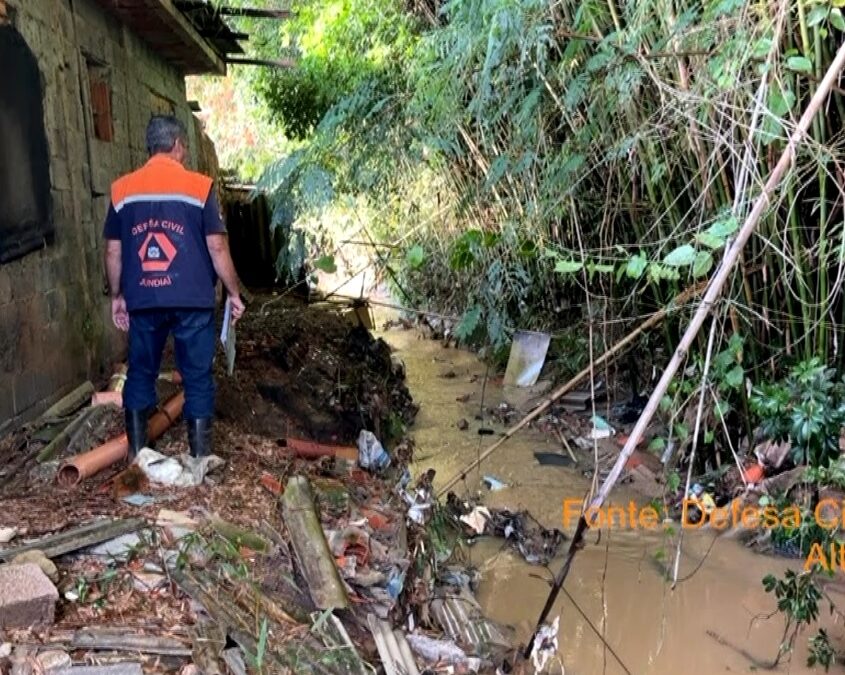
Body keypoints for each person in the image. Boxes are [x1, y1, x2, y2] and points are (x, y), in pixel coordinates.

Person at [103, 115, 244, 460]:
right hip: (192, 299)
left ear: (149, 147)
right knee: (197, 376)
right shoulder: (199, 188)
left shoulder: (122, 190)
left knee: (140, 373)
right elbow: (217, 247)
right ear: (178, 145)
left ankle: (139, 456)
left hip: (144, 298)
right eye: (183, 149)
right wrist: (234, 292)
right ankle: (199, 459)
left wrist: (117, 295)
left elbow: (113, 250)